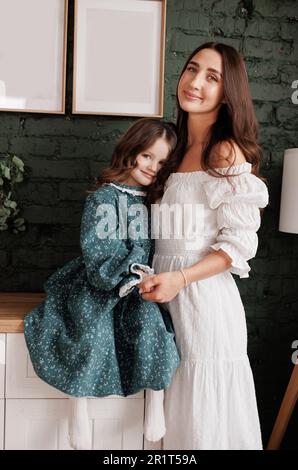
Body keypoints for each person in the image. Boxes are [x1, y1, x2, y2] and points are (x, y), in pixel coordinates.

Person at [138, 42, 269, 450]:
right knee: (168, 418)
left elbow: (238, 246)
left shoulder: (225, 151)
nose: (195, 82)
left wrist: (180, 278)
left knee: (200, 424)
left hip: (204, 305)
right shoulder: (171, 149)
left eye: (211, 77)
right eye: (192, 69)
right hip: (163, 296)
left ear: (228, 93)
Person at [24, 118, 180, 450]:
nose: (153, 167)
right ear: (132, 151)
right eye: (147, 156)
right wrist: (127, 273)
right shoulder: (104, 198)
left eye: (162, 162)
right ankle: (76, 403)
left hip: (141, 283)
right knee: (87, 330)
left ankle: (155, 396)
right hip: (99, 279)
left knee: (153, 325)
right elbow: (98, 249)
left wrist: (145, 277)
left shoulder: (157, 200)